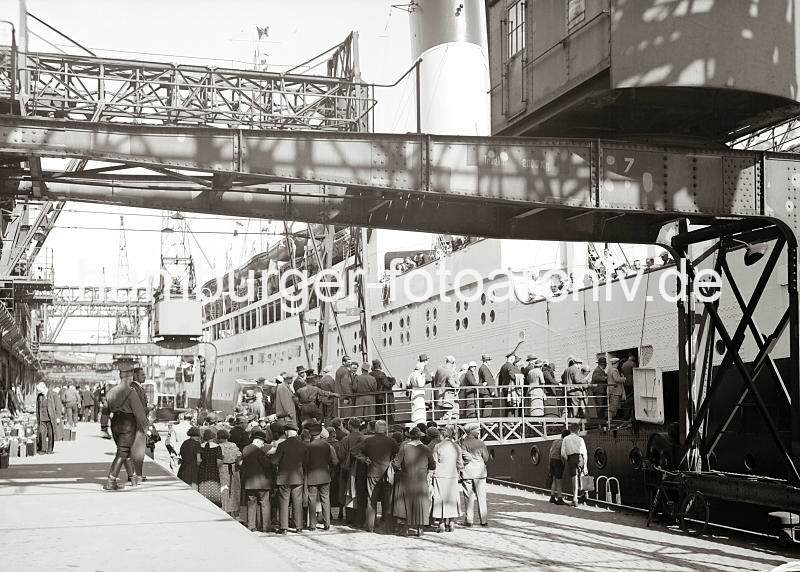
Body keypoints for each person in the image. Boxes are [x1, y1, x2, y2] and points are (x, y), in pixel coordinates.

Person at [104, 366, 149, 491]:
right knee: (123, 451)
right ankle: (111, 480)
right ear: (130, 377)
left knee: (125, 450)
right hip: (127, 423)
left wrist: (103, 427)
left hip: (114, 424)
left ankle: (133, 477)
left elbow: (104, 410)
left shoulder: (111, 392)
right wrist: (146, 426)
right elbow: (139, 411)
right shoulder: (130, 391)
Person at [353, 420, 398, 532]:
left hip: (372, 472)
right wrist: (391, 461)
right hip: (387, 473)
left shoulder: (368, 441)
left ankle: (370, 526)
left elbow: (354, 451)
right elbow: (397, 454)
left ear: (375, 429)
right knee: (386, 500)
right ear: (386, 429)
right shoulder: (391, 441)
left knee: (371, 499)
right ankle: (386, 525)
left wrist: (364, 459)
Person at [393, 426, 435, 537]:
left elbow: (396, 464)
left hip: (407, 479)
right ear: (419, 437)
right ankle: (420, 529)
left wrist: (401, 469)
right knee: (420, 503)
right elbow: (433, 465)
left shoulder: (404, 448)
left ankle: (405, 529)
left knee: (406, 503)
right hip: (421, 480)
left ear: (410, 436)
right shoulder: (426, 448)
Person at [274, 421, 308, 533]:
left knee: (284, 503)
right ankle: (298, 527)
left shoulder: (282, 445)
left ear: (287, 432)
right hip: (298, 478)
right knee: (297, 503)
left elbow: (275, 461)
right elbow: (306, 462)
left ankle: (284, 527)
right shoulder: (303, 445)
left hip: (284, 478)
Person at [304, 422, 338, 530]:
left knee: (312, 500)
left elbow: (305, 463)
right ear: (320, 433)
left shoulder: (307, 447)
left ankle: (313, 524)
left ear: (310, 434)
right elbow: (335, 461)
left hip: (311, 477)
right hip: (325, 476)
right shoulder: (328, 446)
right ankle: (327, 523)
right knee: (325, 499)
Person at [241, 429, 274, 532]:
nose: (262, 445)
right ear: (259, 441)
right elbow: (267, 465)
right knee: (265, 504)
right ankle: (266, 527)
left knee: (251, 503)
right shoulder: (259, 451)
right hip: (262, 482)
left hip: (250, 482)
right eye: (262, 443)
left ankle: (251, 525)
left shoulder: (245, 449)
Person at [431, 426, 463, 532]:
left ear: (442, 435)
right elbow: (460, 464)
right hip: (452, 475)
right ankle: (452, 522)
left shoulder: (437, 446)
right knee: (452, 498)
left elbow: (434, 462)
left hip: (440, 475)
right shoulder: (456, 447)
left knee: (440, 498)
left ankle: (441, 523)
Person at [460, 423, 490, 526]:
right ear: (471, 431)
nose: (479, 431)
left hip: (467, 473)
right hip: (480, 473)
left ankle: (469, 520)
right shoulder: (481, 443)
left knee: (468, 497)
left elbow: (462, 457)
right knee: (481, 497)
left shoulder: (463, 443)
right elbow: (486, 458)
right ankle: (484, 520)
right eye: (477, 430)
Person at [217, 428, 242, 518]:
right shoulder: (233, 445)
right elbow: (239, 456)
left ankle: (225, 509)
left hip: (224, 468)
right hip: (234, 469)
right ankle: (235, 511)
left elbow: (220, 459)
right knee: (235, 489)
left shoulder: (219, 446)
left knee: (224, 489)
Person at [561, 423, 588, 507]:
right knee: (582, 474)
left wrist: (567, 459)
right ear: (578, 431)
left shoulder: (565, 439)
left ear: (570, 430)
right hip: (580, 458)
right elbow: (585, 453)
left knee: (574, 478)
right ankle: (585, 493)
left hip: (571, 458)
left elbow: (563, 453)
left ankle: (575, 499)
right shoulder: (581, 439)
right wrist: (586, 465)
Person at [197, 428, 223, 506]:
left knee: (203, 490)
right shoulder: (217, 447)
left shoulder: (200, 446)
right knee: (214, 492)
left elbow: (198, 460)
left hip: (203, 471)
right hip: (213, 471)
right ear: (212, 437)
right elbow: (218, 462)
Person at [548, 430, 570, 505]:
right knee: (559, 480)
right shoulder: (564, 442)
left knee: (554, 479)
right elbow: (562, 453)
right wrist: (564, 461)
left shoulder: (555, 441)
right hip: (558, 461)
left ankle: (552, 496)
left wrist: (549, 463)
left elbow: (550, 451)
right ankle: (560, 498)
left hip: (551, 460)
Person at [35, 382, 56, 454]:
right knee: (42, 433)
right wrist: (37, 417)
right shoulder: (39, 396)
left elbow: (58, 406)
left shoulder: (53, 394)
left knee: (51, 434)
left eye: (39, 390)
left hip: (50, 418)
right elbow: (37, 407)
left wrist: (58, 416)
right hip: (42, 418)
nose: (39, 391)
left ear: (44, 388)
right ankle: (43, 449)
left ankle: (50, 449)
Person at [591, 356, 609, 421]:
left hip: (600, 390)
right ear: (603, 364)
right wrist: (605, 378)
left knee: (601, 405)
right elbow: (596, 378)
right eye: (605, 364)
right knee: (600, 405)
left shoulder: (600, 370)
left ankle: (601, 418)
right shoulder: (597, 370)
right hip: (599, 391)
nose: (606, 366)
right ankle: (599, 419)